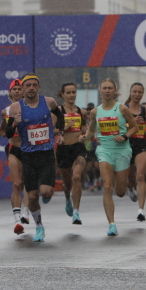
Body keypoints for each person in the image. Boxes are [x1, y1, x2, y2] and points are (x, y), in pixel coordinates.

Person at [5, 73, 65, 242]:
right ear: (23, 88)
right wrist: (14, 123)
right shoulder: (16, 108)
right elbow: (8, 133)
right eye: (28, 85)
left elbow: (60, 116)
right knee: (31, 197)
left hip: (45, 154)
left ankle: (46, 194)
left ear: (38, 87)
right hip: (28, 156)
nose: (31, 88)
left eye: (34, 85)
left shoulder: (48, 102)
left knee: (46, 191)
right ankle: (39, 225)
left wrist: (59, 132)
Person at [81, 78, 138, 236]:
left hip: (122, 150)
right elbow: (91, 130)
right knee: (107, 185)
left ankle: (129, 186)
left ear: (115, 91)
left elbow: (135, 127)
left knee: (119, 191)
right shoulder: (95, 111)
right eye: (104, 88)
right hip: (104, 150)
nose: (107, 91)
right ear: (100, 90)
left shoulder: (122, 109)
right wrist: (85, 137)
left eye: (110, 88)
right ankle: (111, 224)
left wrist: (125, 136)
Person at [0, 79, 29, 235]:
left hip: (29, 149)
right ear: (10, 93)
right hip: (13, 148)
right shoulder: (6, 111)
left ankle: (26, 213)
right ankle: (17, 221)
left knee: (28, 184)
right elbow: (3, 128)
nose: (17, 91)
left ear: (23, 91)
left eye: (19, 88)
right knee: (16, 184)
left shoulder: (31, 108)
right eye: (14, 89)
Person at [56, 82, 89, 225]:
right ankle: (67, 198)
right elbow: (52, 129)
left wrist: (84, 136)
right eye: (68, 92)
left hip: (78, 148)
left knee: (76, 177)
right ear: (62, 94)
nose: (71, 95)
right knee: (67, 183)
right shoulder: (57, 110)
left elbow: (86, 128)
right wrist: (63, 128)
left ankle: (76, 211)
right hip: (63, 149)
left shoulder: (81, 112)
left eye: (73, 92)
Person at [125, 82, 146, 222]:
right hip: (127, 144)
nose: (137, 94)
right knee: (130, 178)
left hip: (141, 143)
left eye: (140, 92)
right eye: (134, 91)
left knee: (140, 176)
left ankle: (141, 210)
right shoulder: (123, 109)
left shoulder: (145, 110)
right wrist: (131, 122)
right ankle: (130, 187)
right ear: (130, 92)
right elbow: (117, 128)